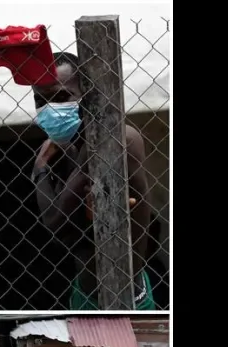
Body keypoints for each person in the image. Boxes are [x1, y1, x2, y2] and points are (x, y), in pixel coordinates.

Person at [31, 51, 155, 310]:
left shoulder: (116, 139)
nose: (50, 108)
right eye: (40, 100)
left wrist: (40, 168)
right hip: (84, 289)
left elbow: (55, 222)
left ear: (86, 95)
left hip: (125, 296)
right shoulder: (70, 146)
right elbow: (66, 228)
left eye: (62, 96)